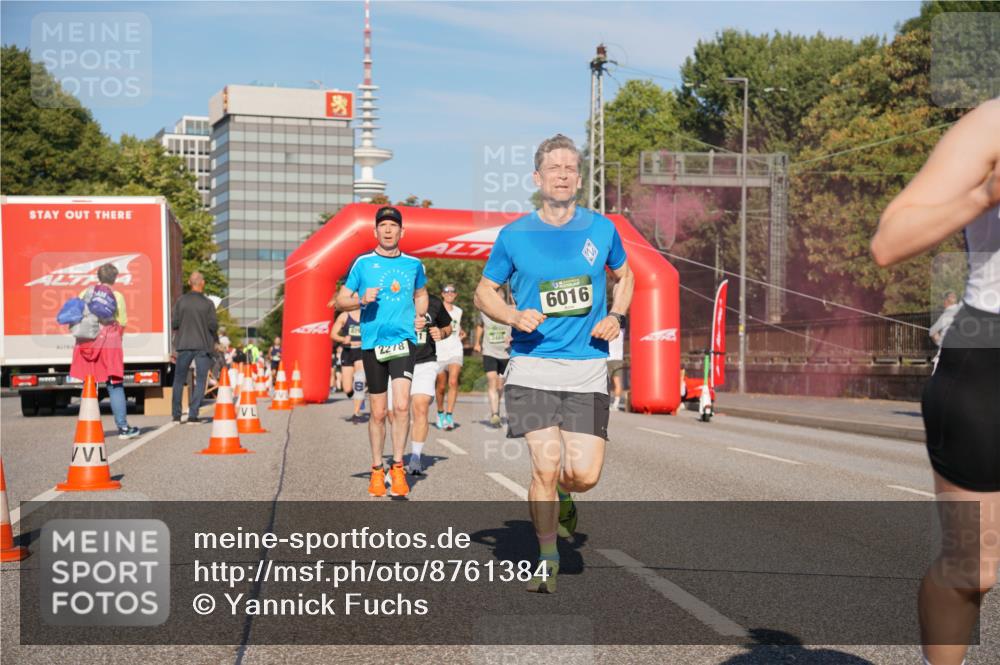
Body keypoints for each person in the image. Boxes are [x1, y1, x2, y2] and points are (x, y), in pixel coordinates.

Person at [474, 134, 634, 593]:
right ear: (537, 178)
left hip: (586, 366)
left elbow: (626, 275)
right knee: (544, 465)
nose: (562, 175)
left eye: (570, 168)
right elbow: (484, 292)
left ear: (579, 178)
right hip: (530, 364)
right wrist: (511, 314)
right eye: (554, 168)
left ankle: (566, 495)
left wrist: (616, 315)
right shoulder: (514, 235)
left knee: (582, 475)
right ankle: (547, 557)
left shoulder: (602, 229)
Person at [871, 98, 999, 665]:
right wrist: (985, 194)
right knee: (974, 568)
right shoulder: (992, 123)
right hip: (989, 352)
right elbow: (889, 242)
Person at [334, 206, 428, 498]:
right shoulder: (362, 263)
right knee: (377, 412)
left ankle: (397, 467)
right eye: (383, 226)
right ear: (375, 232)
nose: (388, 230)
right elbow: (340, 300)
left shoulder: (415, 264)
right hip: (373, 344)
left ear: (402, 231)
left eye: (393, 226)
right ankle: (377, 469)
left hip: (404, 341)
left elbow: (421, 294)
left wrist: (421, 315)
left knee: (401, 406)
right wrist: (360, 300)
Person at [69, 263, 141, 439]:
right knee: (115, 385)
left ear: (98, 277)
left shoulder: (85, 293)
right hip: (109, 343)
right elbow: (122, 322)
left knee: (89, 385)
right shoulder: (117, 296)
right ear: (114, 278)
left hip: (87, 342)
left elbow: (76, 316)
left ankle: (88, 429)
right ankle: (123, 428)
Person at [408, 293, 453, 475]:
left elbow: (447, 327)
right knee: (393, 413)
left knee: (420, 407)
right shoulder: (393, 298)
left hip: (425, 362)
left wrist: (441, 333)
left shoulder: (433, 302)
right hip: (395, 360)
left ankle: (415, 458)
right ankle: (396, 458)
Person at [171, 271, 219, 424]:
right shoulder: (208, 304)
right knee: (201, 380)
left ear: (189, 283)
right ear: (202, 283)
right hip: (203, 346)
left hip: (184, 344)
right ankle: (193, 414)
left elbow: (175, 324)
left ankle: (176, 415)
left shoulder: (181, 301)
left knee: (179, 379)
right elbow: (213, 326)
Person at [473, 309, 512, 428]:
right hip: (489, 352)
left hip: (505, 353)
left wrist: (513, 337)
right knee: (491, 380)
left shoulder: (509, 311)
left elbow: (516, 326)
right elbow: (480, 326)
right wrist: (477, 343)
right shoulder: (484, 312)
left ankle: (497, 408)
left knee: (500, 385)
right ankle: (495, 414)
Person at [435, 284, 465, 430]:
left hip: (455, 350)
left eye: (453, 291)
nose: (450, 293)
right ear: (442, 294)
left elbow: (457, 327)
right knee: (441, 386)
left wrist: (462, 332)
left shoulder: (459, 311)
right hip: (439, 351)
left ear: (456, 295)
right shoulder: (437, 310)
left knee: (453, 382)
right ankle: (440, 412)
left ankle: (449, 415)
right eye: (447, 291)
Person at [331, 308, 366, 423]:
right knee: (347, 388)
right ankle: (359, 397)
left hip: (361, 351)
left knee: (359, 380)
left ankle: (356, 413)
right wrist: (342, 339)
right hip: (348, 352)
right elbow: (333, 334)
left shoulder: (367, 313)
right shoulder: (344, 316)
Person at [607, 325, 625, 411]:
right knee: (618, 383)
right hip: (618, 359)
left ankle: (606, 403)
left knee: (606, 383)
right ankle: (616, 404)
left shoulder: (607, 330)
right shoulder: (622, 331)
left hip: (608, 359)